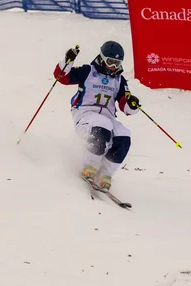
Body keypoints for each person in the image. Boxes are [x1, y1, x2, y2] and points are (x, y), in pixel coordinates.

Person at [53, 41, 141, 192]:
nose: (114, 67)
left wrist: (132, 105)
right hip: (85, 115)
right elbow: (62, 77)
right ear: (102, 58)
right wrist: (68, 60)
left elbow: (124, 105)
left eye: (117, 63)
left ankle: (105, 174)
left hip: (108, 118)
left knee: (124, 134)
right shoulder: (88, 71)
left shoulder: (119, 80)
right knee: (102, 125)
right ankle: (90, 166)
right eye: (111, 62)